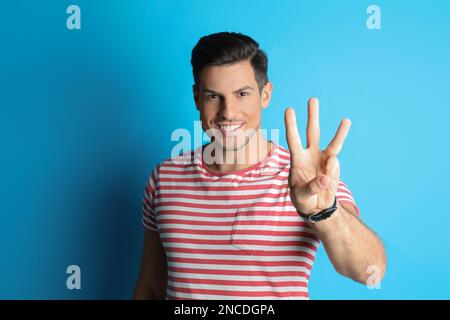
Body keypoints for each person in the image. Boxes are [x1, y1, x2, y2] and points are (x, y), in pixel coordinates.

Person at [133, 32, 386, 300]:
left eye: (242, 93)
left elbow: (371, 270)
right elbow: (150, 287)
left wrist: (324, 211)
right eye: (213, 96)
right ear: (197, 98)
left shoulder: (306, 180)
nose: (228, 112)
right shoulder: (164, 178)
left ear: (265, 95)